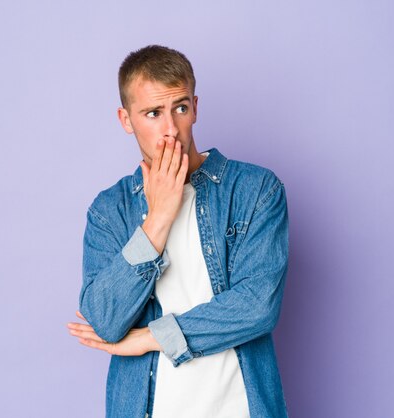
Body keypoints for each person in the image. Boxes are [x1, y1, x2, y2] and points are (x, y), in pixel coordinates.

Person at [67, 45, 289, 418]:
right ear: (126, 119)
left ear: (195, 108)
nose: (171, 129)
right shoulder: (110, 210)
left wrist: (152, 338)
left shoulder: (255, 189)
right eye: (153, 113)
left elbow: (257, 305)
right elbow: (104, 320)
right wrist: (157, 220)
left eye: (180, 108)